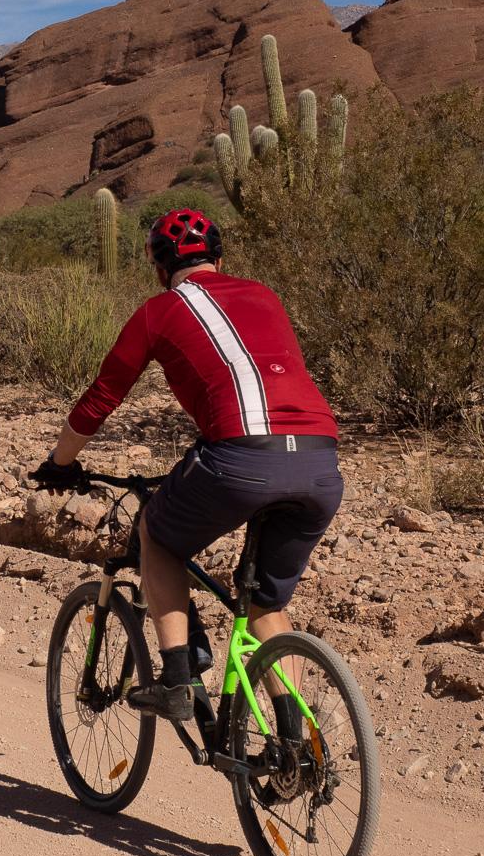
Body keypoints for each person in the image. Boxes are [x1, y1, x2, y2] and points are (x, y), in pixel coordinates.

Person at [30, 206, 344, 723]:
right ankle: (295, 741)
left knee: (156, 534)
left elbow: (101, 399)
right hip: (320, 463)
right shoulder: (264, 295)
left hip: (239, 458)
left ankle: (177, 680)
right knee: (265, 603)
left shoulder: (158, 312)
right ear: (220, 257)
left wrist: (59, 463)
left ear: (160, 268)